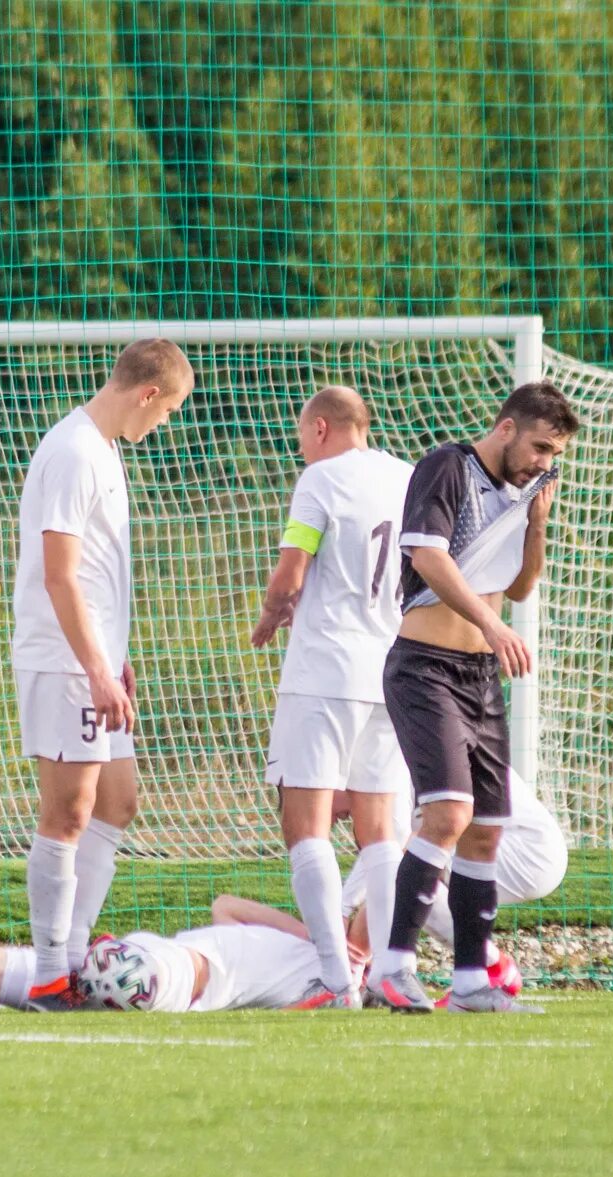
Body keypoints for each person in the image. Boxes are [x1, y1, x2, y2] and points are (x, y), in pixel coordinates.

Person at [372, 382, 578, 1014]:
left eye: (554, 454)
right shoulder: (447, 467)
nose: (545, 461)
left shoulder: (520, 497)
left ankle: (469, 984)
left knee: (486, 832)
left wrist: (537, 524)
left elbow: (518, 586)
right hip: (425, 667)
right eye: (540, 446)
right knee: (448, 815)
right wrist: (490, 626)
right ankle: (393, 967)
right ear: (507, 427)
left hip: (479, 677)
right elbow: (428, 556)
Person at [10, 339, 193, 1008]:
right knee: (69, 812)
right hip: (62, 662)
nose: (165, 423)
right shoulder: (73, 450)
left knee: (117, 802)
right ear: (147, 394)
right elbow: (59, 575)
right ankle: (49, 971)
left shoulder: (105, 448)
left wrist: (116, 658)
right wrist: (94, 667)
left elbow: (95, 574)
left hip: (92, 661)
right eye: (168, 409)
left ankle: (77, 951)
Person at [249, 386, 413, 1007]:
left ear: (320, 428)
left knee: (306, 825)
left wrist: (271, 615)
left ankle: (334, 976)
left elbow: (291, 568)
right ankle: (389, 972)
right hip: (391, 670)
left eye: (300, 433)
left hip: (323, 673)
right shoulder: (407, 477)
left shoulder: (319, 481)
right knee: (379, 831)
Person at [340, 766, 568, 1005]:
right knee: (407, 868)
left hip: (526, 850)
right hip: (529, 846)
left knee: (406, 870)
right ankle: (492, 968)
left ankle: (493, 967)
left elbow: (388, 851)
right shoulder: (394, 751)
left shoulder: (388, 766)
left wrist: (344, 915)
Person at [0, 895, 331, 1014]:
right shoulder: (308, 948)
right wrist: (311, 933)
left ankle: (111, 976)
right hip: (146, 973)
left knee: (127, 973)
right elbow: (225, 905)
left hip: (171, 974)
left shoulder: (332, 975)